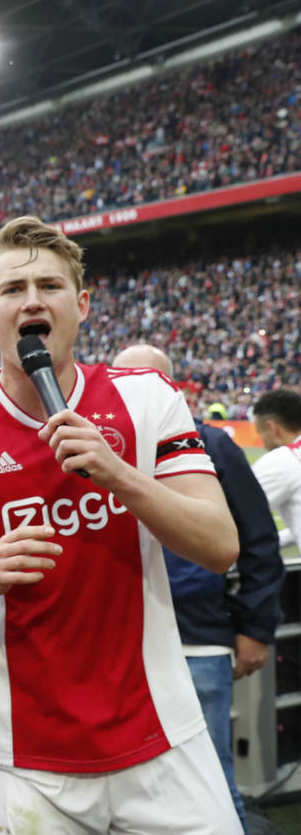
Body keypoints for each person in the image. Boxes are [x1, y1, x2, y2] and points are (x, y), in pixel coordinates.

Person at [0, 215, 240, 834]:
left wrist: (120, 475)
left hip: (164, 737)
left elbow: (219, 546)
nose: (32, 300)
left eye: (50, 287)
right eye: (12, 289)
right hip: (25, 760)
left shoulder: (147, 398)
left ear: (80, 305)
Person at [115, 343, 282, 830]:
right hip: (125, 645)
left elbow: (258, 539)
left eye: (149, 381)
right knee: (136, 784)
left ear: (171, 386)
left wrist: (256, 628)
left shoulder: (211, 444)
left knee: (211, 780)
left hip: (199, 639)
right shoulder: (96, 447)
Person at [251, 388, 301, 549]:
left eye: (260, 433)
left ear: (272, 427)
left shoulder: (281, 460)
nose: (262, 441)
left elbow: (236, 515)